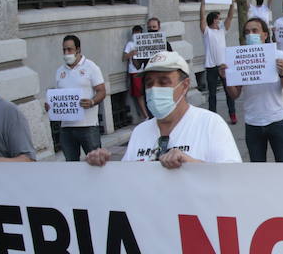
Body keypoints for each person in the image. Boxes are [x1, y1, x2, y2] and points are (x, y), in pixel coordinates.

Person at [87, 51, 241, 167]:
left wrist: (190, 163)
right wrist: (104, 168)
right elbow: (129, 182)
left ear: (185, 85)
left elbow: (232, 179)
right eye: (149, 83)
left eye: (163, 82)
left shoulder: (210, 124)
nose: (154, 89)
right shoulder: (140, 132)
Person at [226, 18, 283, 162]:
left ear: (265, 34)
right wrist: (227, 77)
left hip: (276, 120)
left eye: (254, 31)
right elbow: (234, 94)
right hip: (253, 122)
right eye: (247, 32)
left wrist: (282, 73)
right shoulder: (240, 58)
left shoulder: (278, 55)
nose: (250, 34)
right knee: (257, 169)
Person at [48, 35, 106, 162]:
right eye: (64, 50)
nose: (66, 53)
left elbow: (102, 91)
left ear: (78, 49)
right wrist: (51, 106)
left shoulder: (91, 67)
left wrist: (92, 102)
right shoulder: (59, 71)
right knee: (71, 164)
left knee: (97, 162)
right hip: (66, 128)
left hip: (88, 126)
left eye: (70, 49)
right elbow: (59, 97)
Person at [199, 0, 237, 124]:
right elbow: (202, 18)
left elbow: (230, 17)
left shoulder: (222, 31)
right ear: (213, 20)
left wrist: (232, 3)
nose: (220, 20)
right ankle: (212, 118)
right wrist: (203, 1)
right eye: (218, 18)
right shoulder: (207, 32)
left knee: (229, 92)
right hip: (211, 67)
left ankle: (232, 114)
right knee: (212, 94)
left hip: (223, 66)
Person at [124, 25, 148, 121]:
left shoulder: (144, 43)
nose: (136, 35)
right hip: (135, 72)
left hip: (144, 70)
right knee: (139, 94)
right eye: (135, 33)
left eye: (138, 33)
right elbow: (124, 57)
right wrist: (131, 53)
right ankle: (145, 115)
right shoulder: (130, 44)